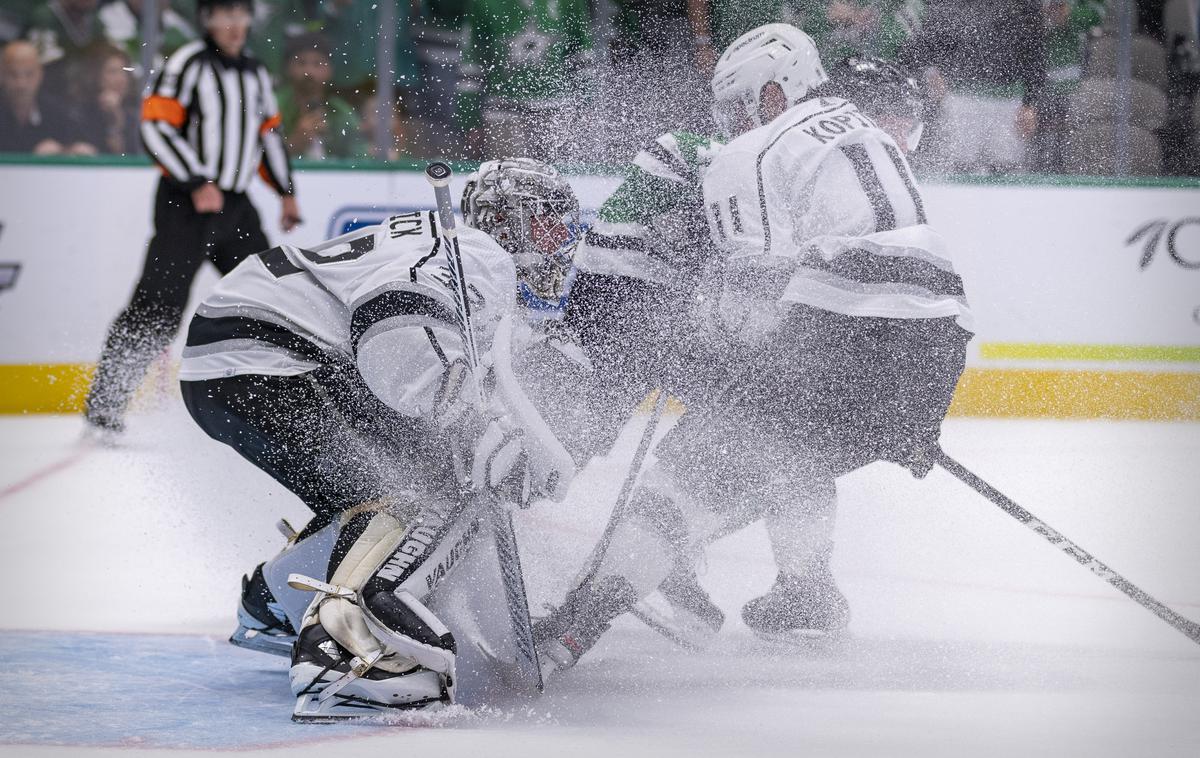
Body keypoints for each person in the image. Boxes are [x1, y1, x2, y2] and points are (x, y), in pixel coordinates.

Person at [534, 23, 974, 676]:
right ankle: (805, 597)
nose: (732, 121)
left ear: (773, 93)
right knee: (782, 453)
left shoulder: (752, 154)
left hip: (842, 327)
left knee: (682, 477)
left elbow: (755, 301)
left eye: (738, 104)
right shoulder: (867, 130)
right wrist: (898, 411)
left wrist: (696, 333)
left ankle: (564, 635)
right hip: (937, 345)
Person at [179, 158, 583, 719]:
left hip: (239, 355)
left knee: (413, 477)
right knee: (417, 487)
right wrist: (475, 428)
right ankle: (350, 652)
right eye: (551, 225)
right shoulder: (482, 256)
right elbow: (390, 324)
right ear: (510, 221)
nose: (561, 242)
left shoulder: (451, 248)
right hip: (267, 353)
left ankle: (280, 597)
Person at [83, 0, 300, 436]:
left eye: (241, 14)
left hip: (236, 206)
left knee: (272, 297)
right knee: (159, 304)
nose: (235, 24)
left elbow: (267, 135)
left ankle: (281, 403)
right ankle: (106, 401)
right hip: (186, 204)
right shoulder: (186, 63)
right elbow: (155, 127)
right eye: (225, 14)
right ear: (207, 19)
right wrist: (196, 180)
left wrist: (285, 192)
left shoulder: (256, 73)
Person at [275, 32, 367, 160]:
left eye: (317, 64)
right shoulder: (274, 107)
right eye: (301, 63)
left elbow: (360, 161)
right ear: (288, 68)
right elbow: (259, 159)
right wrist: (294, 144)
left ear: (330, 70)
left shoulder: (341, 113)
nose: (309, 72)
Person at [0, 39, 91, 154]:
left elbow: (81, 145)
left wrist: (63, 151)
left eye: (29, 74)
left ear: (40, 74)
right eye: (13, 74)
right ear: (2, 74)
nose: (21, 83)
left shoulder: (57, 112)